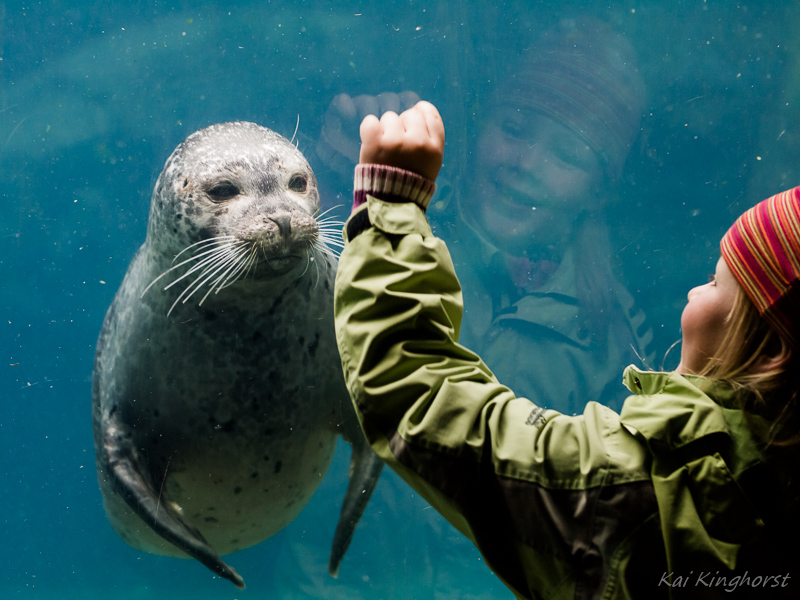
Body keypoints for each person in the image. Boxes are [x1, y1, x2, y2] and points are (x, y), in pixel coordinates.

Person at [333, 101, 800, 598]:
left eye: (714, 281)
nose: (693, 291)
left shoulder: (653, 496)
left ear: (772, 349)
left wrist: (390, 209)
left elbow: (418, 397)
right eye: (514, 128)